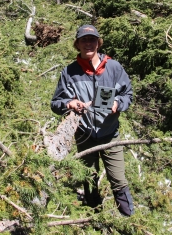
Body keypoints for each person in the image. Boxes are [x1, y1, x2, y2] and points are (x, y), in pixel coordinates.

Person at [50, 24, 135, 216]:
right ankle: (94, 218)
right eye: (84, 40)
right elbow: (56, 103)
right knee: (88, 179)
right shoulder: (70, 72)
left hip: (110, 135)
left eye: (92, 40)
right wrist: (70, 103)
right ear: (77, 45)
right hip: (84, 136)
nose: (88, 43)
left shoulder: (113, 67)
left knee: (118, 180)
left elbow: (128, 94)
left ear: (98, 43)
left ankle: (128, 219)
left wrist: (117, 103)